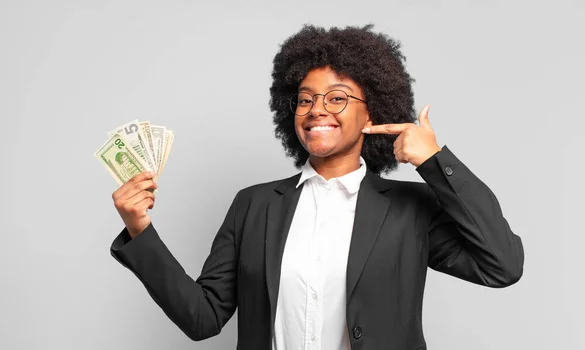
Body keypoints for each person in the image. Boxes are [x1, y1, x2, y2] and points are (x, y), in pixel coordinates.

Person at [109, 24, 524, 350]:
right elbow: (202, 318)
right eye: (305, 99)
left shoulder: (408, 209)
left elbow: (501, 265)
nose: (317, 110)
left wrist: (435, 161)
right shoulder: (253, 205)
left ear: (370, 115)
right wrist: (139, 230)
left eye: (337, 98)